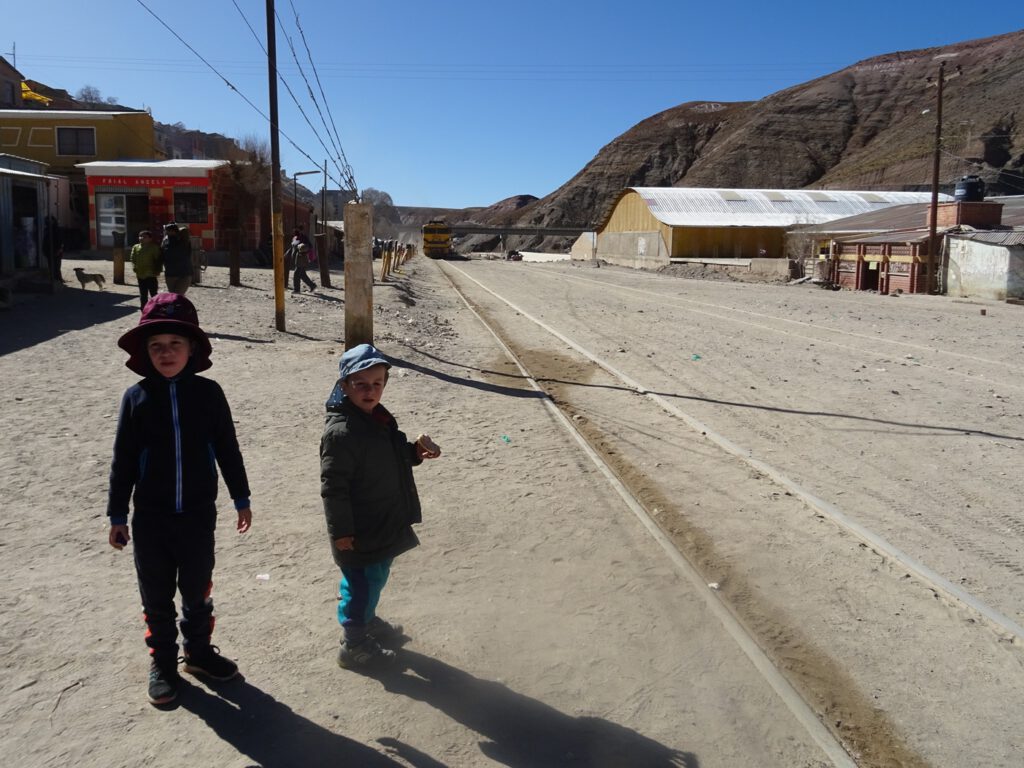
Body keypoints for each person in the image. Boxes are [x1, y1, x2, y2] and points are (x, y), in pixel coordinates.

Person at [106, 293, 253, 705]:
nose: (166, 353)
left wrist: (241, 497)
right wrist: (117, 513)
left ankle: (199, 654)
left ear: (192, 349)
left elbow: (227, 448)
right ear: (144, 352)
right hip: (150, 519)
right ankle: (164, 665)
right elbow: (123, 460)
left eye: (175, 345)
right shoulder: (135, 399)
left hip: (196, 515)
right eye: (156, 346)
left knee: (197, 588)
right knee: (155, 595)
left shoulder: (209, 394)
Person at [320, 343, 441, 670]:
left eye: (377, 383)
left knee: (375, 577)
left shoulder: (378, 419)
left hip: (382, 521)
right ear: (344, 386)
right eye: (360, 384)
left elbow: (393, 454)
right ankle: (353, 644)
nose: (370, 390)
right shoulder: (341, 433)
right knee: (360, 583)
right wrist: (341, 532)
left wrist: (415, 452)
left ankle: (365, 620)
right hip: (358, 529)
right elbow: (333, 488)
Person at [129, 230, 163, 310]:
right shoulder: (136, 247)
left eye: (144, 237)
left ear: (150, 239)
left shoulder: (154, 247)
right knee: (143, 294)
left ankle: (156, 308)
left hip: (151, 274)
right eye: (140, 236)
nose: (141, 238)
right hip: (140, 274)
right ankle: (144, 309)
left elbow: (158, 260)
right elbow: (132, 258)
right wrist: (134, 267)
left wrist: (158, 270)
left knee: (153, 293)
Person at [161, 223, 192, 295]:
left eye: (167, 231)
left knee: (177, 296)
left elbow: (185, 230)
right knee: (173, 296)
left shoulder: (183, 241)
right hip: (172, 273)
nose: (166, 232)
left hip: (183, 273)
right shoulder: (166, 241)